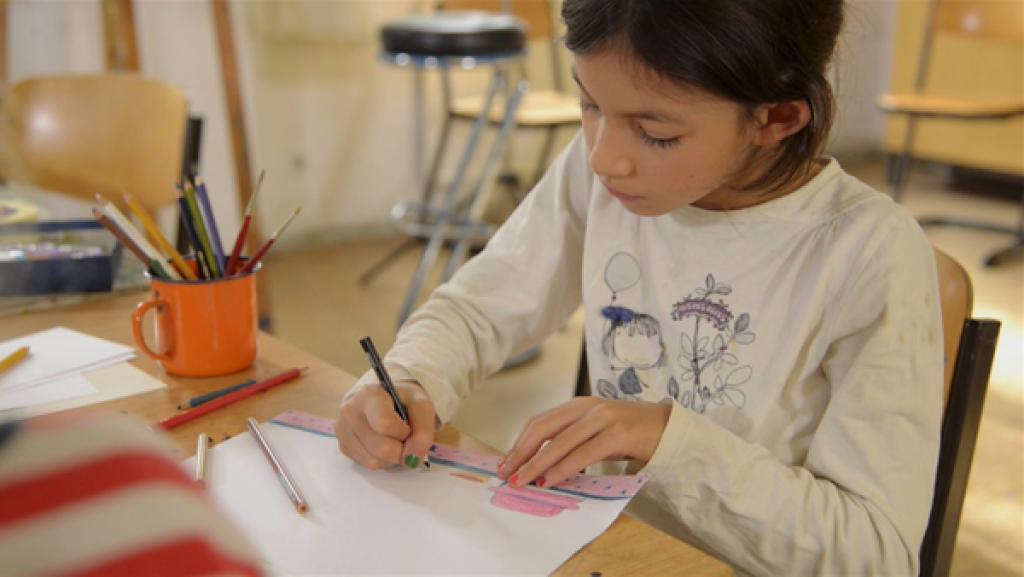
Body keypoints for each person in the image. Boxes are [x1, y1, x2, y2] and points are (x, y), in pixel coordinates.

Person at [336, 1, 943, 575]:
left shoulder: (868, 253)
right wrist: (411, 378)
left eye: (656, 133)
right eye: (589, 103)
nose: (605, 159)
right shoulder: (600, 171)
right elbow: (481, 307)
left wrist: (667, 440)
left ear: (776, 118)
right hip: (609, 549)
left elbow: (874, 555)